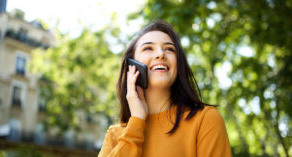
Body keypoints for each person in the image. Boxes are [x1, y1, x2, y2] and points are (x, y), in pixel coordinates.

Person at [98, 20, 232, 157]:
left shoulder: (205, 119)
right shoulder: (115, 135)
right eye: (148, 48)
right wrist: (136, 122)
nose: (161, 54)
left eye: (169, 49)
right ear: (132, 65)